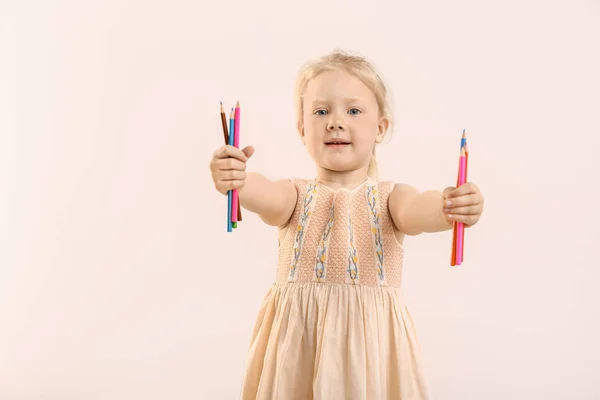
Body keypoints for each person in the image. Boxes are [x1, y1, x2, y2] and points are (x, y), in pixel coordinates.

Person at [209, 49, 484, 400]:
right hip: (299, 348)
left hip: (368, 353)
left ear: (380, 127)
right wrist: (236, 178)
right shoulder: (294, 196)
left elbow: (418, 210)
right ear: (302, 129)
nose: (335, 122)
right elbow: (262, 193)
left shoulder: (390, 198)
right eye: (321, 111)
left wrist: (451, 206)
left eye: (353, 111)